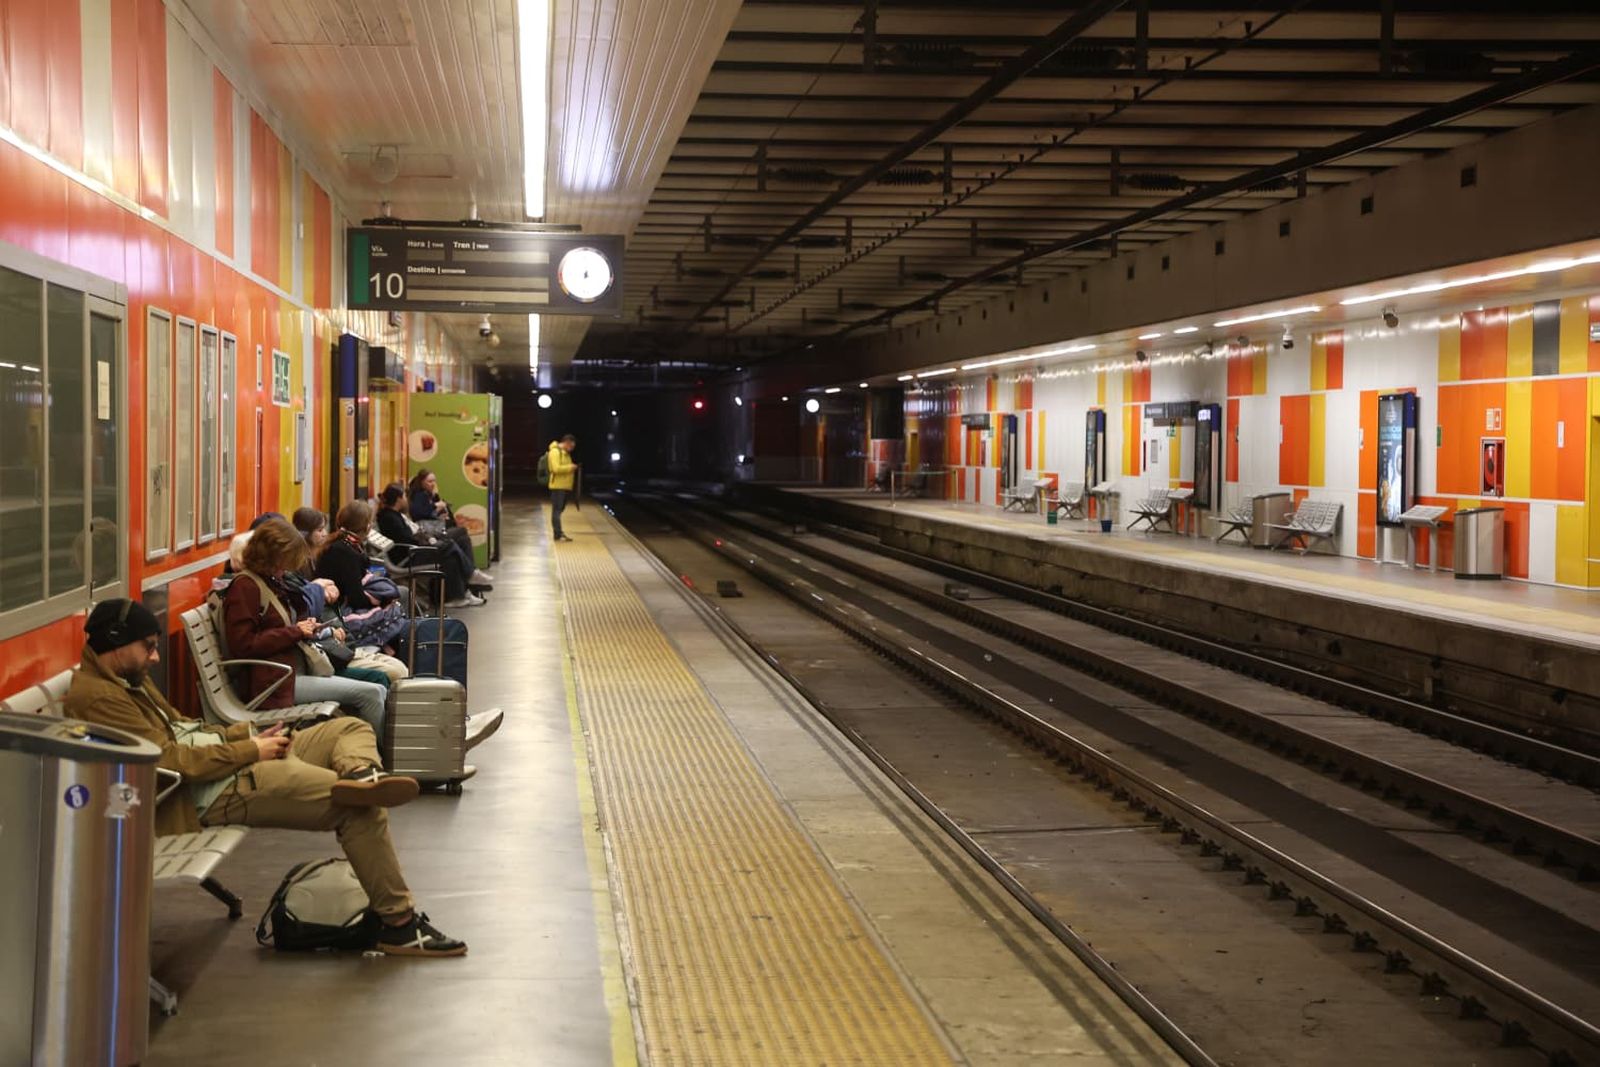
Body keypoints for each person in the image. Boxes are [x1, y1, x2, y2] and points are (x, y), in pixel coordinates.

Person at [64, 599, 466, 956]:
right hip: (209, 789)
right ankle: (398, 926)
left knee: (348, 728)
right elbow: (170, 763)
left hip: (227, 761)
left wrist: (248, 735)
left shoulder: (123, 678)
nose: (154, 657)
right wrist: (249, 751)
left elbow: (184, 727)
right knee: (358, 810)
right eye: (147, 647)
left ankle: (362, 773)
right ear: (116, 644)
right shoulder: (101, 698)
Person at [222, 518, 390, 735]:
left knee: (375, 689)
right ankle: (374, 759)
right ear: (272, 556)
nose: (286, 568)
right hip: (277, 680)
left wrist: (304, 627)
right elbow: (243, 645)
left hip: (290, 670)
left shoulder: (268, 581)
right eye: (284, 561)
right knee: (371, 693)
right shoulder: (246, 587)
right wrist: (296, 631)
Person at [377, 485, 482, 608]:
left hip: (413, 552)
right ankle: (470, 575)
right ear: (398, 499)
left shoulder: (393, 515)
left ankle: (460, 594)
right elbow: (406, 538)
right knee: (449, 546)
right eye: (404, 496)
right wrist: (425, 541)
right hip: (409, 557)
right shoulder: (390, 518)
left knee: (451, 554)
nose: (406, 499)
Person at [407, 470, 493, 588]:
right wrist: (436, 507)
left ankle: (470, 574)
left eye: (434, 481)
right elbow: (419, 513)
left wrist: (437, 501)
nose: (432, 484)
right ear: (421, 482)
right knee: (460, 534)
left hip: (435, 530)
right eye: (429, 481)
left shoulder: (431, 495)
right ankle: (471, 573)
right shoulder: (420, 495)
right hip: (431, 533)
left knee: (462, 538)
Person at [546, 435, 577, 543]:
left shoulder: (565, 453)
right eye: (571, 446)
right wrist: (570, 467)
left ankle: (558, 532)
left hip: (564, 486)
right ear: (566, 443)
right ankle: (558, 534)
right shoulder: (555, 452)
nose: (572, 449)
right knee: (557, 511)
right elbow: (555, 468)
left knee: (559, 510)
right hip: (557, 486)